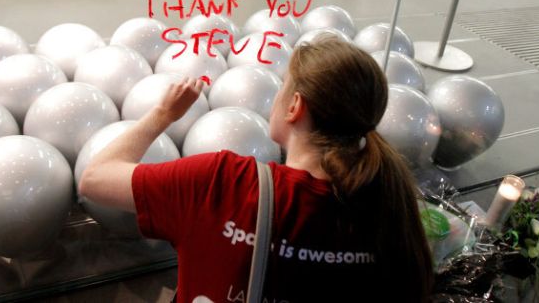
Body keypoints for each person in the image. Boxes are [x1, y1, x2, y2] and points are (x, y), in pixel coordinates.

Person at [79, 35, 434, 302]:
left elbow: (94, 179)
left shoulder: (222, 184)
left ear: (295, 106)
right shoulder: (389, 208)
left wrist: (163, 115)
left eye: (283, 86)